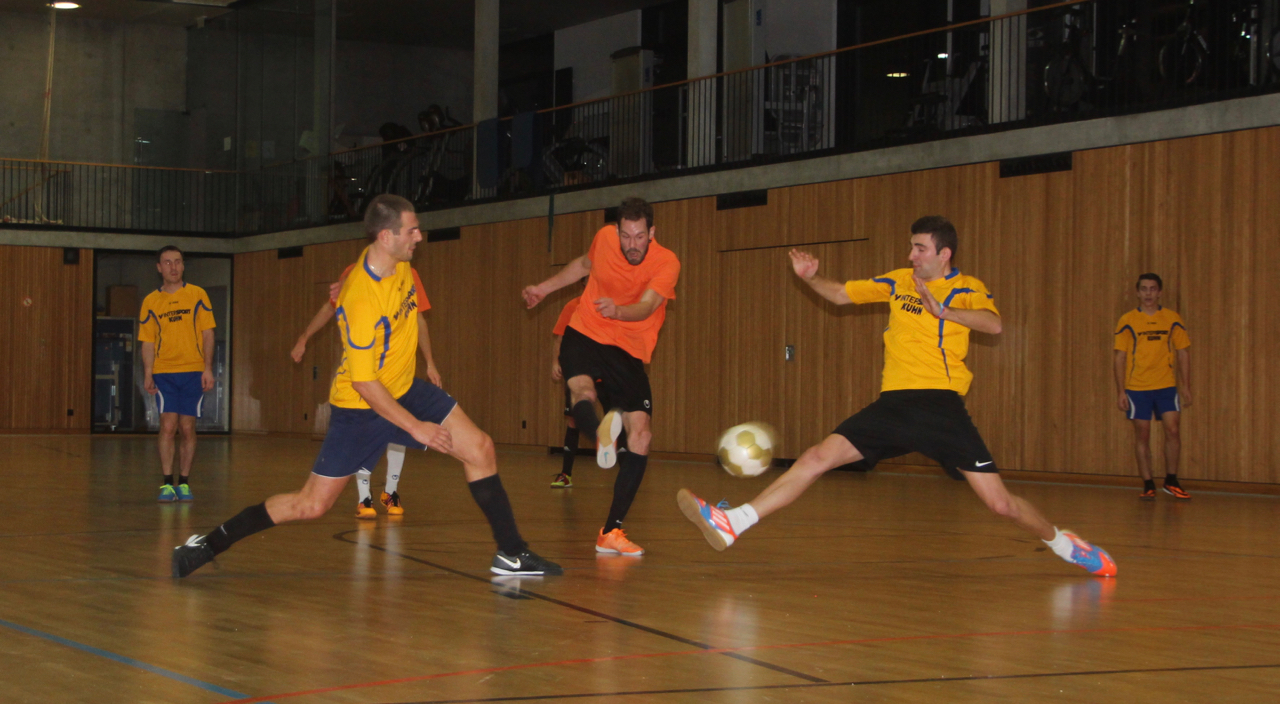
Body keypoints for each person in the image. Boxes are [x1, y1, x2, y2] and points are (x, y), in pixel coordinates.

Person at [678, 216, 1117, 577]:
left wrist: (945, 312)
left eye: (920, 248)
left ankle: (1064, 544)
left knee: (1000, 505)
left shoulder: (966, 288)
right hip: (894, 404)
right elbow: (841, 295)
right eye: (911, 247)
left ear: (944, 254)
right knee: (815, 457)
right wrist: (812, 279)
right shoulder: (897, 282)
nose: (911, 255)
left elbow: (993, 324)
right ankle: (734, 522)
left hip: (939, 406)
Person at [173, 194, 560, 578]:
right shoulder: (361, 297)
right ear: (386, 237)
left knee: (481, 448)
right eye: (412, 230)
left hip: (405, 388)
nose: (419, 237)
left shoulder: (399, 267)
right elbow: (363, 382)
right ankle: (207, 544)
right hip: (361, 409)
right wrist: (415, 426)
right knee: (311, 505)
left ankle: (512, 553)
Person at [522, 197, 680, 556]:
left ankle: (611, 531)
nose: (632, 244)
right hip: (586, 333)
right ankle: (601, 439)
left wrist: (619, 311)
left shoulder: (667, 262)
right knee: (582, 391)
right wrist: (543, 288)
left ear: (651, 233)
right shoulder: (605, 238)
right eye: (626, 236)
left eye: (640, 237)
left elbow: (650, 305)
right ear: (618, 231)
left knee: (641, 435)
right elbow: (581, 265)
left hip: (628, 349)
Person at [291, 260, 443, 518]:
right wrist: (304, 337)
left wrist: (430, 362)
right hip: (365, 372)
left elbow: (419, 320)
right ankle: (364, 498)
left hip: (395, 374)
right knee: (364, 434)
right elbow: (329, 309)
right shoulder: (353, 272)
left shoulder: (409, 274)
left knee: (399, 430)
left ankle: (391, 491)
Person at [140, 246, 216, 503]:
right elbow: (148, 341)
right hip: (164, 372)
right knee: (168, 426)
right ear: (159, 267)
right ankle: (166, 483)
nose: (173, 267)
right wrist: (148, 372)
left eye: (177, 262)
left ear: (183, 265)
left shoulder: (198, 295)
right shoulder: (151, 301)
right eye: (167, 262)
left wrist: (207, 368)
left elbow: (208, 333)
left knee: (187, 427)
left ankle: (183, 481)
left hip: (193, 371)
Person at [1113, 273, 1192, 500]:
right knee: (1143, 434)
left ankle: (1171, 480)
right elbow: (1119, 357)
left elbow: (1183, 351)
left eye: (1152, 289)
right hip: (1137, 388)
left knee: (1173, 429)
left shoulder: (1172, 318)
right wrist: (1121, 391)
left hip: (1166, 385)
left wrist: (1186, 385)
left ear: (1159, 292)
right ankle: (1148, 483)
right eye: (1144, 289)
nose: (1148, 293)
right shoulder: (1127, 320)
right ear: (1138, 292)